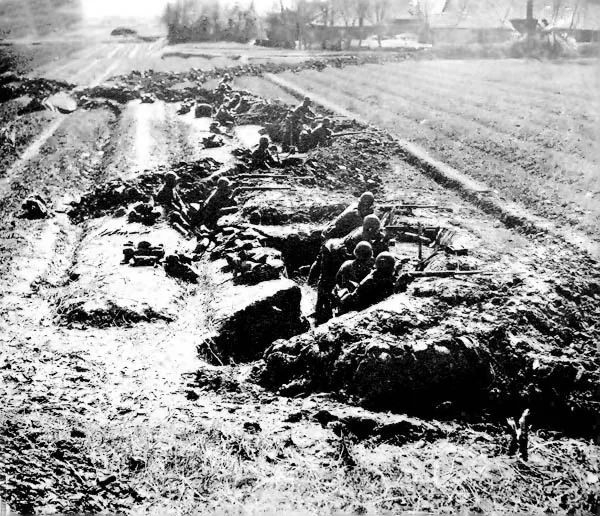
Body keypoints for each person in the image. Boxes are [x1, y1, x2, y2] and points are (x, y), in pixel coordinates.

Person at [314, 215, 387, 323]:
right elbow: (354, 258)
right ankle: (320, 309)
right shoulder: (359, 238)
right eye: (376, 230)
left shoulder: (365, 232)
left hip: (340, 252)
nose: (377, 232)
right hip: (331, 251)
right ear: (370, 229)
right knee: (327, 281)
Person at [332, 241, 374, 311]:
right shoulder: (369, 269)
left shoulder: (347, 264)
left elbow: (337, 279)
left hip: (347, 297)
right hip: (350, 298)